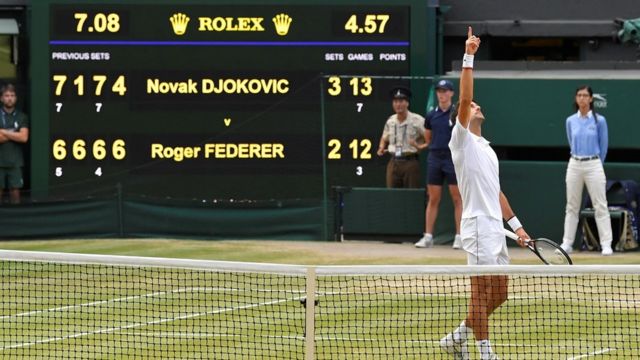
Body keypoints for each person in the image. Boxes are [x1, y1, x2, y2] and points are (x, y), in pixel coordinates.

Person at [439, 27, 530, 360]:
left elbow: (497, 192)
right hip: (476, 225)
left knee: (501, 293)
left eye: (477, 105)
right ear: (461, 118)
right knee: (479, 293)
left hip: (496, 227)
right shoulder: (460, 140)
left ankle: (456, 337)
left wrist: (518, 227)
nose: (476, 106)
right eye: (472, 106)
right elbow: (463, 98)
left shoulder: (487, 150)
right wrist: (469, 55)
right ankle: (485, 352)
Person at [560, 86, 613, 256]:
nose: (582, 98)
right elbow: (571, 141)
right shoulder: (570, 121)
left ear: (591, 99)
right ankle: (567, 243)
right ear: (576, 99)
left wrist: (596, 163)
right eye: (579, 95)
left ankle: (606, 244)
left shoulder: (600, 121)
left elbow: (603, 145)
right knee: (572, 206)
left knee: (600, 205)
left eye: (585, 95)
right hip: (574, 164)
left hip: (594, 164)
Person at [414, 79, 463, 249]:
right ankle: (428, 237)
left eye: (445, 91)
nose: (442, 94)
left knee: (457, 198)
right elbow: (428, 137)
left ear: (451, 93)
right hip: (435, 158)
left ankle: (459, 237)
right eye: (439, 91)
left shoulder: (456, 114)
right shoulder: (431, 115)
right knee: (433, 198)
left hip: (452, 159)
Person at [376, 86, 426, 188]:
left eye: (401, 101)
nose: (398, 104)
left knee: (411, 195)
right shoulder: (391, 121)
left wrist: (420, 146)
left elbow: (430, 138)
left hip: (410, 162)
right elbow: (384, 137)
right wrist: (381, 147)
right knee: (392, 196)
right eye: (395, 101)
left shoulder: (417, 120)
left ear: (407, 103)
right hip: (393, 162)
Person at [0, 83, 29, 204]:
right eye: (6, 95)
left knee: (15, 194)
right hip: (0, 161)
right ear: (1, 98)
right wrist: (14, 133)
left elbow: (23, 137)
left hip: (15, 162)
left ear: (16, 98)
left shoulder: (22, 116)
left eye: (12, 95)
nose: (9, 98)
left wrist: (3, 131)